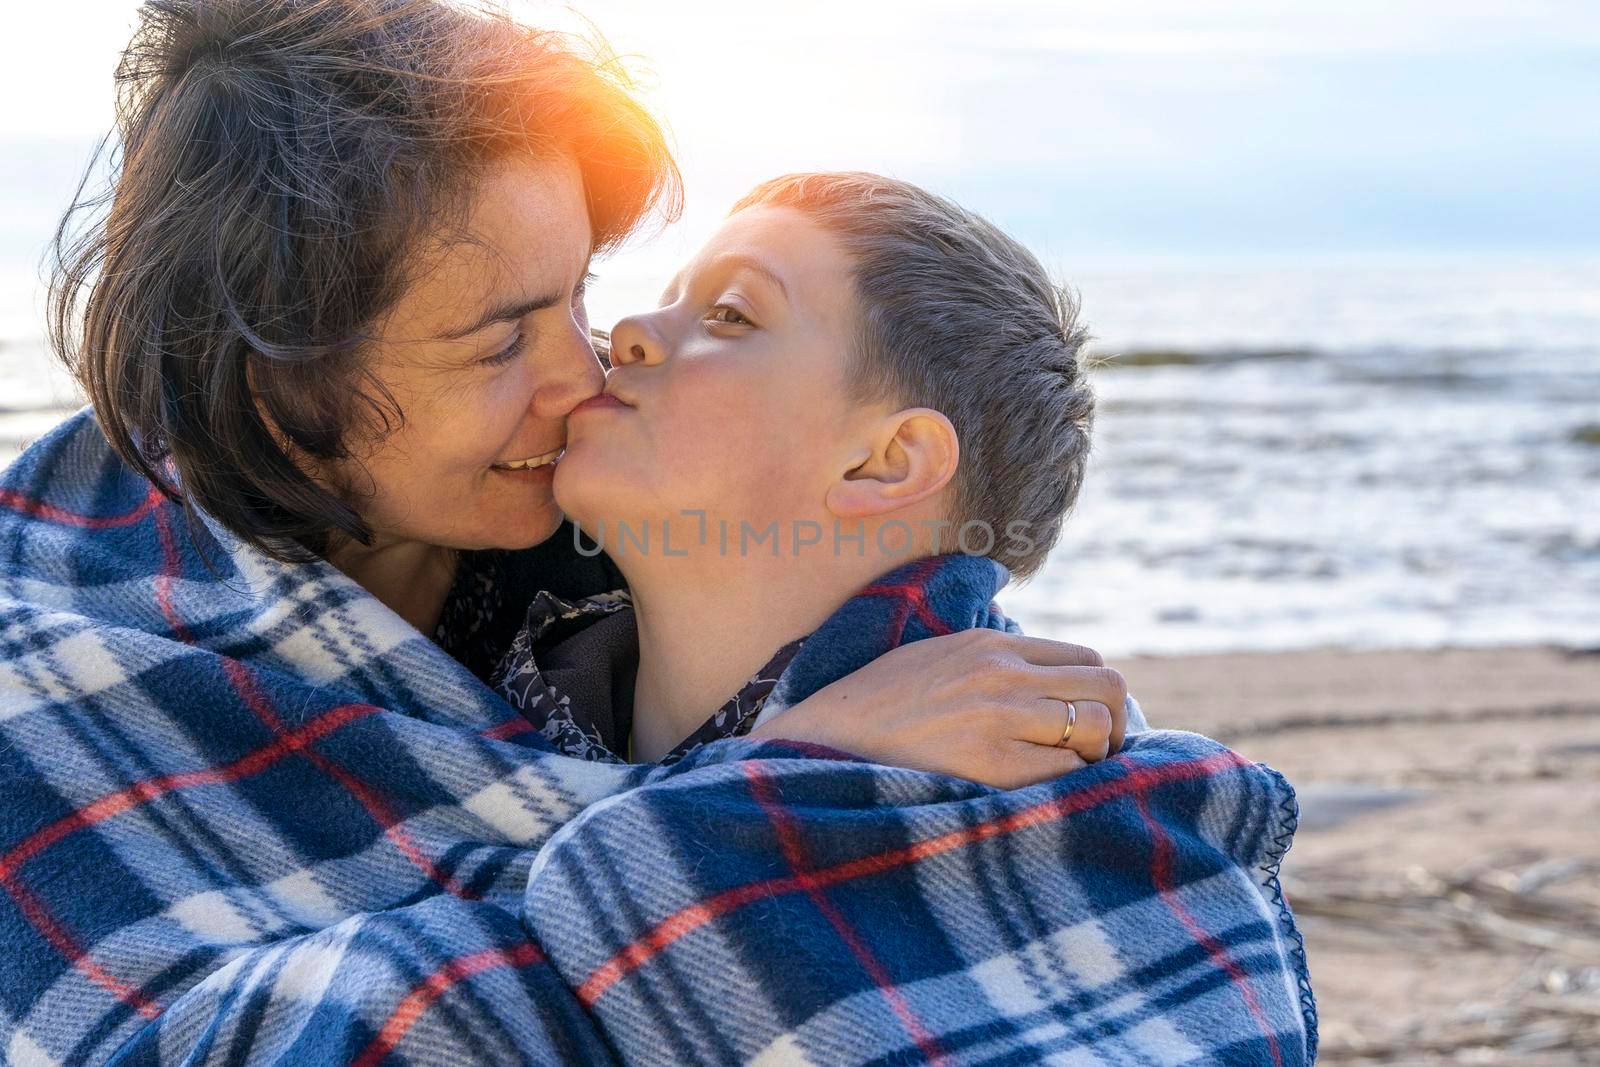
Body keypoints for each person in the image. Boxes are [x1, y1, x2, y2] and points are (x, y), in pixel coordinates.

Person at [494, 171, 1137, 781]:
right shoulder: (480, 704)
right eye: (669, 301)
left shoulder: (1081, 797)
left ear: (885, 462)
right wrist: (805, 748)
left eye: (730, 313)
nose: (629, 329)